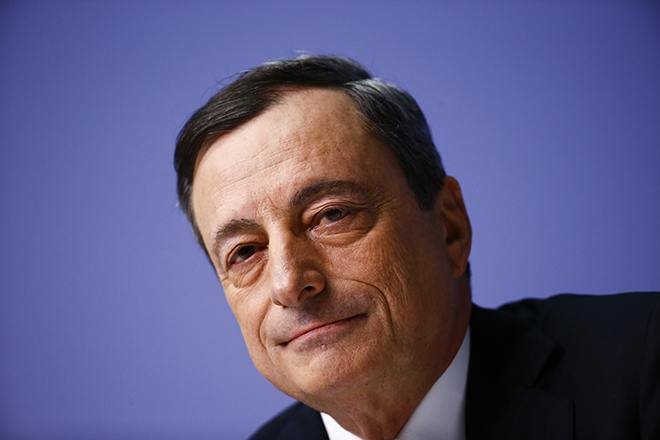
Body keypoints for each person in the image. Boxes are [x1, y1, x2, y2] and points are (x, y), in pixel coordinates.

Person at [174, 55, 659, 440]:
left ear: (449, 228)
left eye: (331, 215)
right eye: (245, 252)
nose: (289, 283)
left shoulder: (641, 366)